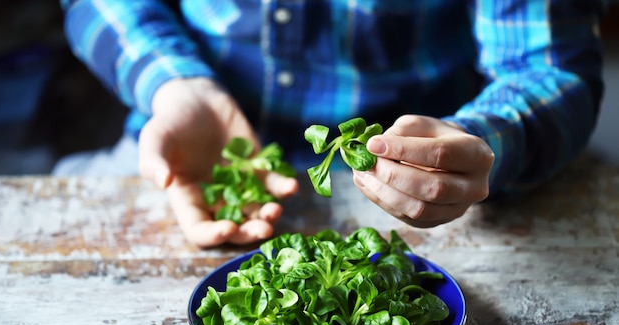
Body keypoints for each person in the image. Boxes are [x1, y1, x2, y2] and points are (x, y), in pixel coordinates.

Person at [56, 0, 606, 248]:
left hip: (429, 188)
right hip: (190, 145)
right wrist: (174, 86)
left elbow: (549, 66)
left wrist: (481, 142)